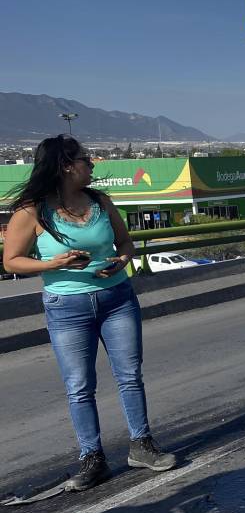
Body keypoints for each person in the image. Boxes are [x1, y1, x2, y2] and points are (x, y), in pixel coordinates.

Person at [2, 135, 177, 491]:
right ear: (67, 165)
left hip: (117, 298)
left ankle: (141, 445)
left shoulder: (100, 201)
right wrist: (54, 262)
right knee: (80, 386)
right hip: (67, 307)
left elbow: (125, 243)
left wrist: (122, 261)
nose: (92, 163)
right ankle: (92, 457)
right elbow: (10, 260)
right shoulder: (32, 210)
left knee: (130, 375)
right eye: (85, 159)